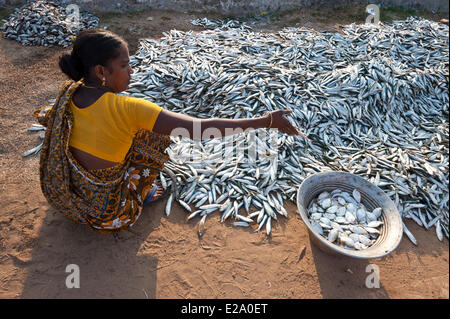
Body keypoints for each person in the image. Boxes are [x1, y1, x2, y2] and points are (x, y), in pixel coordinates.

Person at [36, 28, 301, 234]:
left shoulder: (68, 92)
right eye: (125, 65)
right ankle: (140, 193)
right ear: (101, 71)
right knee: (156, 132)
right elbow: (200, 129)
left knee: (133, 132)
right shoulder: (129, 108)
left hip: (64, 197)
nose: (132, 71)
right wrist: (265, 121)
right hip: (107, 215)